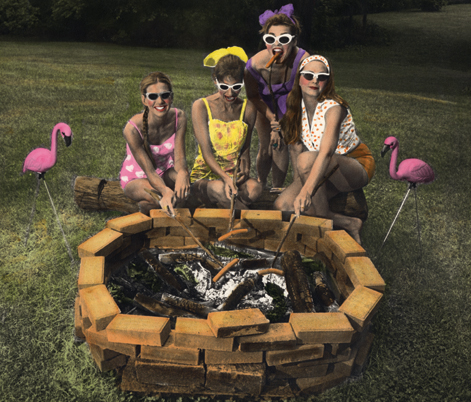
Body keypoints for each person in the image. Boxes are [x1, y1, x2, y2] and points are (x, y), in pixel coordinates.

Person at [274, 55, 375, 244]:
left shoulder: (334, 108)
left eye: (321, 77)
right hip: (322, 167)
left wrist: (306, 192)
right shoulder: (296, 106)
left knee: (306, 160)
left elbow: (326, 152)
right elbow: (295, 148)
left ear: (328, 82)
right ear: (299, 78)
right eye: (309, 75)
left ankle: (322, 227)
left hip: (353, 164)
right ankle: (349, 223)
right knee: (283, 205)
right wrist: (298, 186)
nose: (315, 80)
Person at [245, 3, 309, 189]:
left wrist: (281, 124)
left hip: (293, 102)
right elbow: (253, 96)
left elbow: (303, 96)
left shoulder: (303, 61)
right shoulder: (254, 66)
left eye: (284, 39)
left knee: (292, 144)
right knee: (267, 147)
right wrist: (272, 121)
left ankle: (283, 188)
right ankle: (261, 185)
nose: (277, 44)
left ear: (294, 41)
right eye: (270, 38)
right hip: (263, 103)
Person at [190, 47, 262, 209]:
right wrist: (225, 178)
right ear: (215, 80)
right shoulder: (201, 106)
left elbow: (245, 149)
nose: (230, 93)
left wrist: (245, 168)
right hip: (207, 176)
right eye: (224, 87)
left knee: (255, 189)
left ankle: (222, 206)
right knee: (221, 189)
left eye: (236, 86)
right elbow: (207, 153)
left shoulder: (248, 108)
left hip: (233, 175)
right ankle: (249, 219)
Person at [119, 72, 189, 216]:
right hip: (138, 176)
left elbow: (180, 158)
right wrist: (165, 190)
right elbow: (150, 172)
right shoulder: (132, 129)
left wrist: (183, 173)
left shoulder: (179, 117)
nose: (160, 101)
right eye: (153, 96)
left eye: (165, 95)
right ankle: (147, 213)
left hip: (165, 172)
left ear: (171, 97)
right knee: (157, 197)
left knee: (185, 189)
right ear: (144, 100)